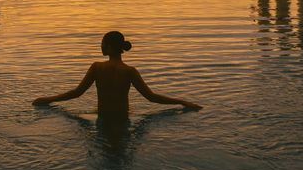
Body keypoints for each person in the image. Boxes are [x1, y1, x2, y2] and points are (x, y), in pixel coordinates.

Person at [32, 31, 202, 114]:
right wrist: (182, 102)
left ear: (109, 47)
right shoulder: (129, 71)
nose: (100, 46)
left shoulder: (97, 67)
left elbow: (76, 93)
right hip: (123, 118)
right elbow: (151, 97)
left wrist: (47, 99)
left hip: (103, 118)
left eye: (102, 43)